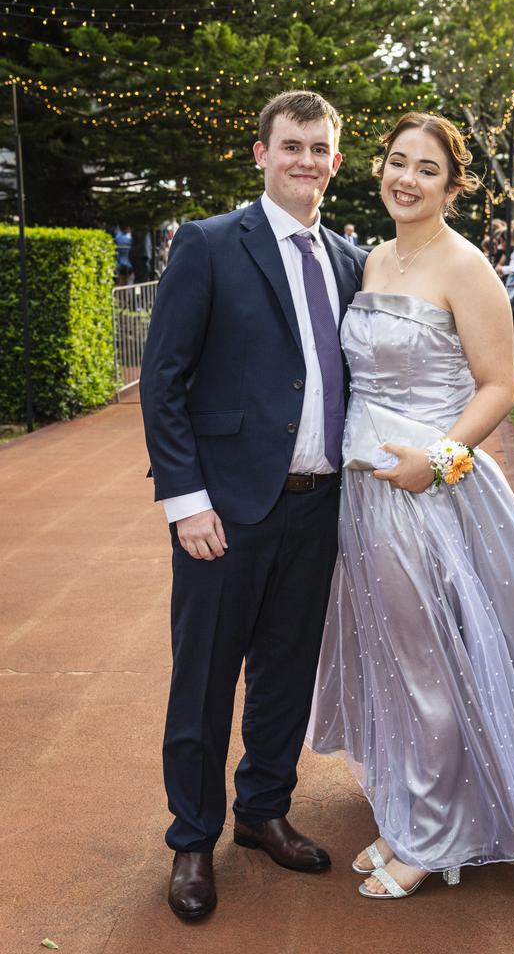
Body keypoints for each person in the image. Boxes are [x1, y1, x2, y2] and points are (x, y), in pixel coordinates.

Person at [308, 111, 514, 899]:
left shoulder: (466, 265)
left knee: (430, 663)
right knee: (394, 660)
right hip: (366, 495)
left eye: (427, 168)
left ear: (454, 184)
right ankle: (411, 811)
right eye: (398, 161)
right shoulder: (371, 258)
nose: (407, 178)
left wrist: (436, 464)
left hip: (428, 494)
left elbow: (500, 385)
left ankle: (437, 835)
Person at [140, 90, 366, 920]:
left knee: (285, 673)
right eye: (291, 146)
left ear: (335, 163)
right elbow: (163, 381)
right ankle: (192, 839)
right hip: (223, 510)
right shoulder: (206, 244)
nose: (306, 160)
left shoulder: (348, 259)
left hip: (319, 505)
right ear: (262, 154)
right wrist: (185, 501)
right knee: (203, 679)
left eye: (320, 149)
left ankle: (263, 809)